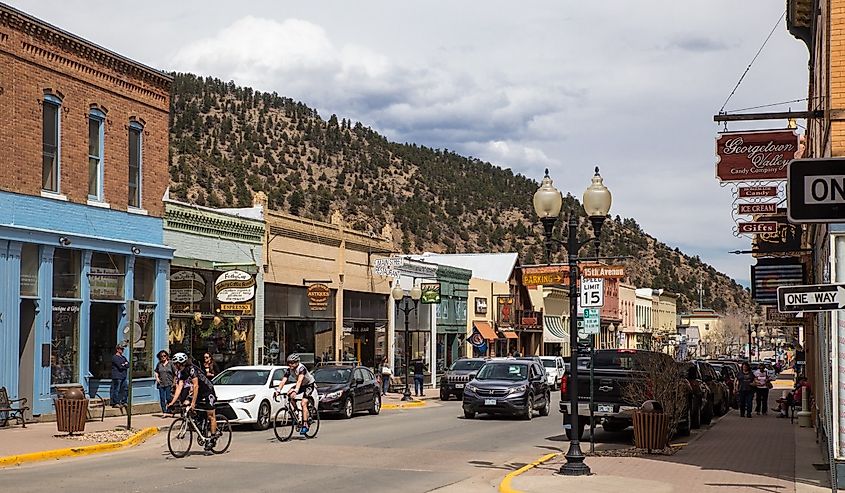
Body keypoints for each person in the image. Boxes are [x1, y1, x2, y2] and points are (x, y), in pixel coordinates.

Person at [167, 352, 218, 455]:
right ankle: (200, 424)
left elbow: (196, 386)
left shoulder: (192, 369)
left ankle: (213, 438)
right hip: (198, 392)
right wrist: (172, 402)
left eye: (176, 364)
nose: (175, 366)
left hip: (208, 391)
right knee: (186, 404)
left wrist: (193, 402)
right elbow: (179, 387)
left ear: (181, 363)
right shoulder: (182, 372)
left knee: (211, 415)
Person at [276, 354, 317, 436]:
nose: (290, 364)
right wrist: (278, 390)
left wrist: (296, 390)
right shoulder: (289, 370)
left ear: (297, 362)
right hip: (301, 385)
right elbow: (283, 380)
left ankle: (305, 424)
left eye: (292, 363)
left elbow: (299, 380)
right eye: (289, 363)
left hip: (308, 385)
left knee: (303, 403)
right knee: (289, 395)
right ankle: (298, 414)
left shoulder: (301, 368)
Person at [154, 350, 175, 416]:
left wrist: (174, 382)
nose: (163, 357)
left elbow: (175, 373)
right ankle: (164, 412)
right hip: (161, 383)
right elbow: (156, 371)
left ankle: (170, 410)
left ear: (167, 356)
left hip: (169, 383)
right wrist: (157, 378)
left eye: (164, 356)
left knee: (168, 397)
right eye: (161, 356)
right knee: (162, 398)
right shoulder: (159, 364)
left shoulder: (170, 363)